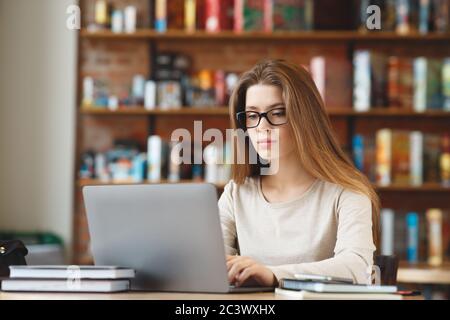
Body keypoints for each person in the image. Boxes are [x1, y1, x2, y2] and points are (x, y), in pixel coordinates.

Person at [219, 59, 380, 287]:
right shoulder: (236, 193)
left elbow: (357, 267)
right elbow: (211, 267)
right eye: (252, 116)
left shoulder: (348, 192)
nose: (262, 127)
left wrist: (273, 274)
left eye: (277, 113)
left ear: (305, 117)